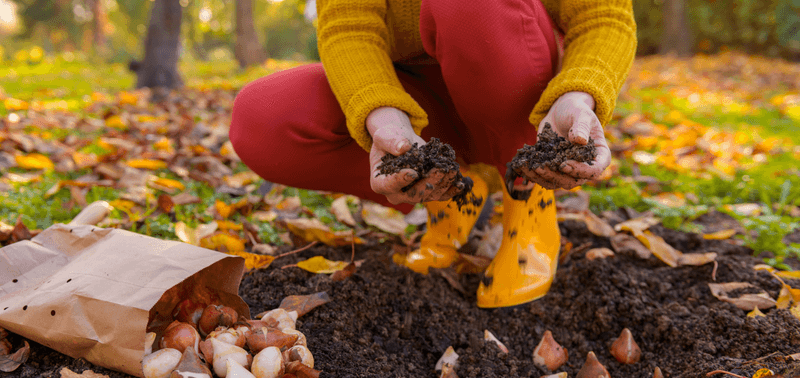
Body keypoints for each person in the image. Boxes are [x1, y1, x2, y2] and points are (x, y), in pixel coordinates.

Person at [229, 0, 637, 308]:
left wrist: (578, 94)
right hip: (418, 103)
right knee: (262, 118)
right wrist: (383, 117)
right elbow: (348, 26)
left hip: (520, 91)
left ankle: (528, 210)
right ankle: (451, 194)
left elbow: (603, 16)